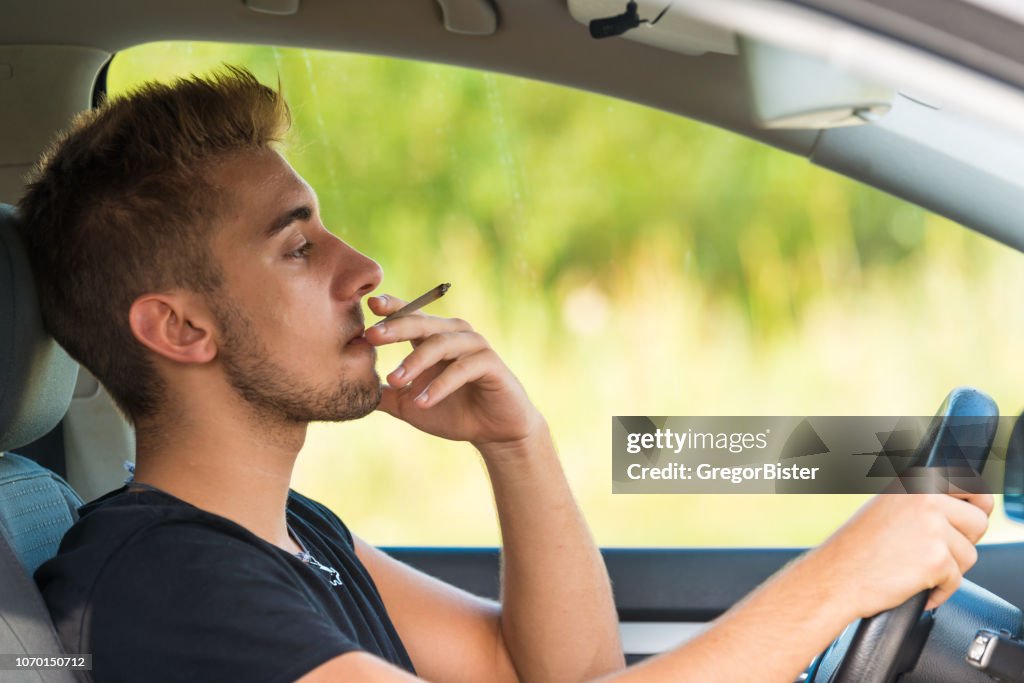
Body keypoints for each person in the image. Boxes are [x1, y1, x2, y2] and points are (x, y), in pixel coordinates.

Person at [21, 66, 990, 683]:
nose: (363, 271)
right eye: (298, 247)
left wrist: (516, 443)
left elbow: (560, 670)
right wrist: (833, 581)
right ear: (182, 326)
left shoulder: (289, 533)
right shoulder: (166, 581)